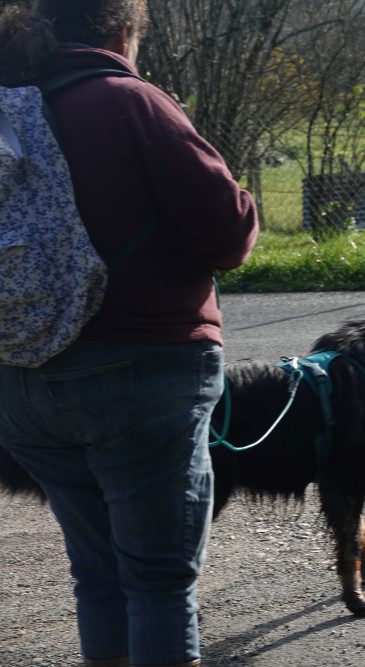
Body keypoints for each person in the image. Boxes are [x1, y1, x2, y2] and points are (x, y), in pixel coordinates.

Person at [0, 1, 259, 666]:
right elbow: (229, 235)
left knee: (98, 572)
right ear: (124, 33)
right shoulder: (129, 102)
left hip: (20, 379)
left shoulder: (8, 108)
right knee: (158, 582)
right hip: (139, 374)